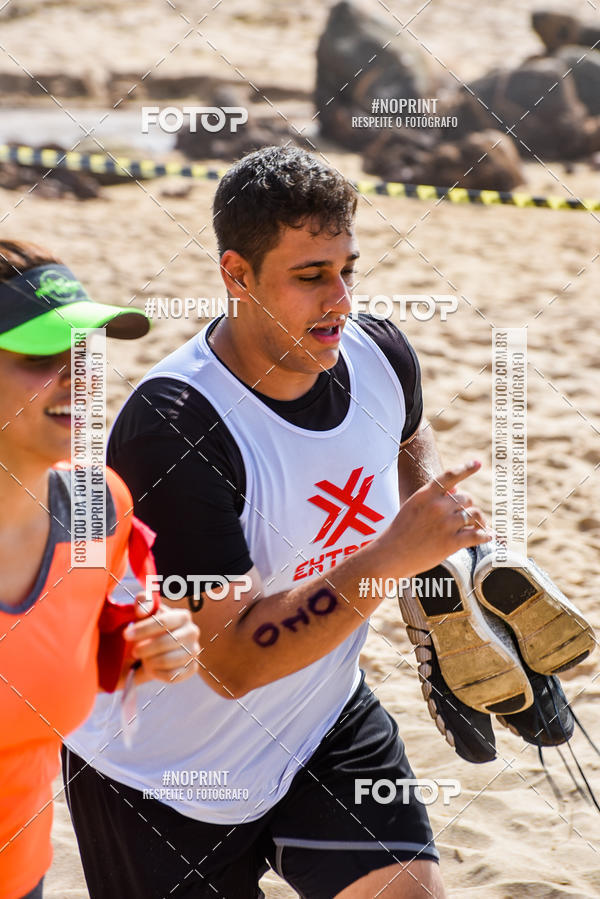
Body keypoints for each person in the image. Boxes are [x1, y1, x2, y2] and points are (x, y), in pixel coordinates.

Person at [63, 147, 495, 899]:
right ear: (236, 273)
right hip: (160, 773)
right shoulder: (174, 426)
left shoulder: (380, 353)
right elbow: (231, 661)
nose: (341, 301)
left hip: (318, 719)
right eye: (310, 277)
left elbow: (402, 433)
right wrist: (394, 554)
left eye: (347, 269)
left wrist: (438, 566)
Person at [0, 240, 200, 899]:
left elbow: (99, 631)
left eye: (85, 349)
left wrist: (153, 644)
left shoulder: (95, 503)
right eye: (40, 356)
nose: (77, 374)